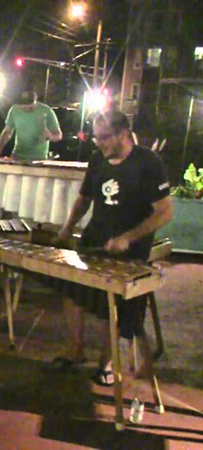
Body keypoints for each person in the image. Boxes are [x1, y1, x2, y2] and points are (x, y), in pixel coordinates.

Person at [51, 111, 172, 419]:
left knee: (112, 305)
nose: (98, 142)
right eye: (96, 137)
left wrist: (128, 238)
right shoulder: (97, 159)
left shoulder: (149, 163)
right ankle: (75, 349)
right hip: (94, 240)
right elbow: (84, 198)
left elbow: (163, 213)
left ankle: (106, 363)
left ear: (123, 134)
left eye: (104, 137)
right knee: (70, 287)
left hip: (129, 250)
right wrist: (67, 228)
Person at [0, 89, 62, 161]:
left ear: (36, 98)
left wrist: (50, 136)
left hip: (39, 159)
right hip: (17, 156)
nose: (27, 108)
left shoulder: (46, 111)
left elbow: (59, 135)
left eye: (30, 105)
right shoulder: (14, 110)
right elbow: (7, 132)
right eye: (24, 106)